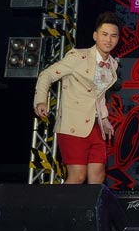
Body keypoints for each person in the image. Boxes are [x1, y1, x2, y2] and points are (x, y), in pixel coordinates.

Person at [34, 11, 121, 184]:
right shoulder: (78, 56)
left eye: (113, 36)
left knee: (98, 175)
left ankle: (91, 204)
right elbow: (46, 75)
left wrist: (104, 119)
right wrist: (41, 100)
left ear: (118, 39)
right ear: (95, 36)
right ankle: (58, 203)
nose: (108, 40)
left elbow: (98, 95)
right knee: (78, 176)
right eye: (104, 34)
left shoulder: (112, 64)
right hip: (72, 124)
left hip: (95, 126)